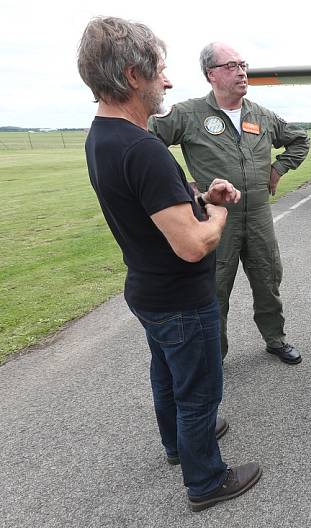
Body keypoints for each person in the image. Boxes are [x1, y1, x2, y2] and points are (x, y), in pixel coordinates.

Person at [77, 17, 260, 511]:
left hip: (148, 291)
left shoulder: (103, 136)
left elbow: (154, 206)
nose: (168, 81)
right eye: (160, 70)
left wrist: (200, 194)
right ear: (133, 75)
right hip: (180, 297)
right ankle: (206, 480)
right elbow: (193, 244)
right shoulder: (143, 148)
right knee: (199, 389)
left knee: (167, 375)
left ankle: (178, 443)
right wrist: (218, 210)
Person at [149, 42, 309, 364]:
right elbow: (147, 143)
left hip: (260, 215)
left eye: (243, 64)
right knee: (215, 289)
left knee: (268, 280)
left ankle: (275, 338)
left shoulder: (261, 115)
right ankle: (214, 354)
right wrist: (186, 188)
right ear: (211, 75)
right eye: (231, 66)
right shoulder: (189, 114)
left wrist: (277, 169)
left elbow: (299, 139)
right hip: (218, 218)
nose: (241, 71)